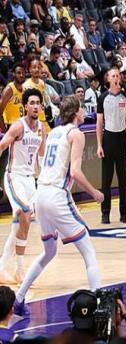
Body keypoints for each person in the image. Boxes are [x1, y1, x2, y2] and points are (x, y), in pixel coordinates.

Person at [14, 95, 104, 317]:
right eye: (81, 109)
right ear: (75, 112)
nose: (84, 112)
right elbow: (75, 172)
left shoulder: (54, 131)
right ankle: (100, 305)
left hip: (40, 194)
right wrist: (94, 192)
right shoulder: (76, 134)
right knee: (88, 251)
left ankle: (19, 298)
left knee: (49, 252)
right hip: (56, 194)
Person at [0, 89, 46, 284]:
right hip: (14, 177)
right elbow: (2, 146)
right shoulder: (18, 126)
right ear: (25, 106)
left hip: (30, 180)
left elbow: (42, 157)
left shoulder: (41, 128)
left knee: (18, 225)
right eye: (32, 103)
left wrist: (44, 180)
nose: (35, 106)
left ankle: (2, 268)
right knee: (24, 213)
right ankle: (20, 269)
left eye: (38, 103)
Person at [96, 68, 126, 224]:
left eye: (118, 75)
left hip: (121, 138)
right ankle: (105, 213)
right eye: (113, 76)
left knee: (122, 179)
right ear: (108, 79)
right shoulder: (103, 98)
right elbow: (99, 123)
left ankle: (124, 213)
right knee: (106, 179)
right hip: (108, 138)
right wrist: (99, 145)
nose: (116, 78)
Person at [0, 63, 25, 133]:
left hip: (22, 126)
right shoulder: (9, 89)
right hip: (11, 126)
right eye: (19, 73)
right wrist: (5, 132)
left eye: (23, 73)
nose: (21, 75)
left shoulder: (24, 89)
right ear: (13, 74)